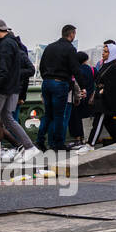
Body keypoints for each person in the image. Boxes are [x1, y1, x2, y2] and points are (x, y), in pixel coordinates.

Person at [0, 19, 38, 164]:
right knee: (7, 118)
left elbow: (2, 70)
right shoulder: (13, 44)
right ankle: (30, 148)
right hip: (12, 88)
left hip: (2, 88)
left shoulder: (5, 45)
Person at [38, 23, 81, 153]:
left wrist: (47, 77)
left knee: (47, 115)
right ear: (71, 34)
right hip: (60, 84)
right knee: (58, 116)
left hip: (46, 83)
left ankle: (40, 142)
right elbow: (75, 69)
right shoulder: (70, 49)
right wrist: (82, 86)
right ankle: (57, 144)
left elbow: (41, 67)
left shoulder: (49, 47)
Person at [87, 40, 116, 146]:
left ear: (112, 53)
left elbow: (114, 84)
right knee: (109, 122)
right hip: (101, 98)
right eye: (103, 51)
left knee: (98, 122)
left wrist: (103, 90)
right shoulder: (106, 65)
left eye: (106, 52)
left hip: (106, 100)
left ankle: (90, 144)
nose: (103, 53)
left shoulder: (115, 66)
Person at [69, 51, 93, 148]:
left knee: (75, 119)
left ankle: (77, 139)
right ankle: (85, 138)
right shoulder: (92, 70)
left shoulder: (75, 70)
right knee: (85, 118)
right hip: (87, 98)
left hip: (77, 97)